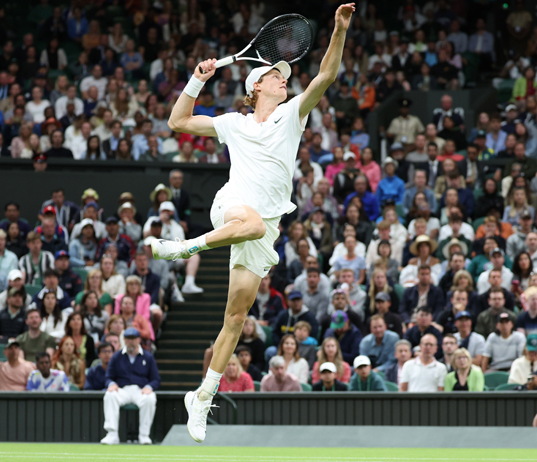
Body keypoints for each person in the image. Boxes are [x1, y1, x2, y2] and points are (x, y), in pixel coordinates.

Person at [149, 4, 356, 441]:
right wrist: (198, 79)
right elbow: (178, 120)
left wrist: (339, 31)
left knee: (236, 318)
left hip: (265, 223)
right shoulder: (234, 123)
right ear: (256, 85)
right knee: (253, 224)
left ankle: (202, 395)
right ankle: (184, 247)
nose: (286, 78)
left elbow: (326, 76)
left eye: (285, 74)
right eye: (276, 74)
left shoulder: (293, 113)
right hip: (233, 207)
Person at [101, 328, 160, 445]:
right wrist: (111, 384)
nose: (130, 342)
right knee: (109, 395)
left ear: (138, 340)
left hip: (141, 391)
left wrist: (149, 387)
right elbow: (108, 377)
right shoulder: (117, 356)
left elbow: (156, 379)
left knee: (150, 398)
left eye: (133, 339)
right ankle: (112, 434)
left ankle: (144, 435)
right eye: (128, 339)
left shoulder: (148, 357)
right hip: (122, 390)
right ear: (124, 340)